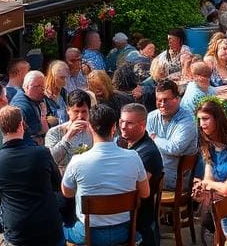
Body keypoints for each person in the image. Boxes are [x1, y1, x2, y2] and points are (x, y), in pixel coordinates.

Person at [61, 104, 149, 246]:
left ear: (90, 127)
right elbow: (145, 193)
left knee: (59, 227)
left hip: (88, 234)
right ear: (114, 127)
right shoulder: (134, 157)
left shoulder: (77, 161)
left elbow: (67, 193)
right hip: (124, 232)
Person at [0, 106, 64, 246]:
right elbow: (57, 184)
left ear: (0, 129)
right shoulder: (42, 153)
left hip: (19, 234)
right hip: (50, 230)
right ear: (21, 125)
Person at [118, 104, 164, 246]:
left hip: (137, 220)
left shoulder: (146, 152)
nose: (124, 127)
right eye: (121, 122)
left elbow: (132, 189)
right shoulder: (126, 143)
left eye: (129, 123)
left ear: (142, 125)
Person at [146, 79, 199, 190]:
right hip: (155, 172)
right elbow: (146, 146)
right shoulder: (151, 116)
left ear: (177, 99)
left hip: (176, 180)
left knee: (135, 185)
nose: (162, 104)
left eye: (166, 100)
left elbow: (175, 148)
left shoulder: (187, 120)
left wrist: (154, 138)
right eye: (159, 100)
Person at [196, 99, 227, 204]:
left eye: (205, 119)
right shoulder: (208, 147)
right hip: (218, 201)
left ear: (217, 119)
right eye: (199, 120)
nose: (201, 124)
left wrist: (209, 183)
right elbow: (208, 179)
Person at [45, 89, 94, 172]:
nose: (80, 116)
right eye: (76, 111)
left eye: (84, 111)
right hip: (64, 179)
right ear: (68, 110)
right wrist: (69, 135)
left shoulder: (95, 131)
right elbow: (50, 160)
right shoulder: (55, 132)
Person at [11, 70, 50, 145]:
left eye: (43, 86)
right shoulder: (20, 106)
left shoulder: (38, 98)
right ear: (26, 87)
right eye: (37, 86)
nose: (42, 90)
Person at [44, 59, 70, 126]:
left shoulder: (63, 92)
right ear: (52, 76)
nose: (65, 81)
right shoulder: (43, 96)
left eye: (67, 77)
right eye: (62, 78)